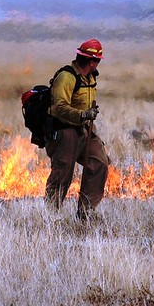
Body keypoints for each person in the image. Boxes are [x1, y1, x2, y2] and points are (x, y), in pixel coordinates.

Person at [45, 38, 110, 221]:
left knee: (99, 163)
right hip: (64, 131)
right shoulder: (67, 77)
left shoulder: (90, 76)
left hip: (85, 130)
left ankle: (86, 213)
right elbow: (59, 107)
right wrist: (82, 115)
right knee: (63, 172)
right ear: (91, 61)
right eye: (97, 60)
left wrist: (87, 118)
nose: (97, 64)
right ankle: (51, 216)